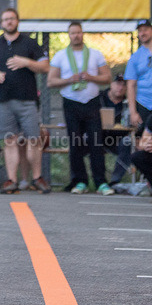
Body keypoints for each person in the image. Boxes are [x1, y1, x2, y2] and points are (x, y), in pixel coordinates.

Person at [0, 8, 52, 195]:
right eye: (5, 19)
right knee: (9, 141)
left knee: (33, 139)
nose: (9, 22)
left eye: (12, 19)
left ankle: (37, 178)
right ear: (1, 23)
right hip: (3, 102)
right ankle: (11, 180)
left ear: (17, 21)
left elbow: (45, 66)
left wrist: (26, 62)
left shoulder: (30, 43)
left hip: (28, 101)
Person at [48, 22, 113, 195]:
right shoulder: (61, 56)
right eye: (72, 33)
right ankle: (79, 181)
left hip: (91, 101)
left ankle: (101, 182)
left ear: (82, 34)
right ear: (68, 35)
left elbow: (107, 77)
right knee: (75, 143)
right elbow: (51, 81)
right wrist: (69, 80)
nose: (76, 36)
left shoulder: (95, 54)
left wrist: (91, 77)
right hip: (71, 101)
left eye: (78, 32)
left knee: (96, 142)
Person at [124, 20, 152, 132]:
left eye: (145, 30)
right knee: (143, 140)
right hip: (144, 103)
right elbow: (131, 85)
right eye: (140, 31)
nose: (142, 33)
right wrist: (133, 112)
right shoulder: (135, 57)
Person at [99, 75, 133, 185]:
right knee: (81, 139)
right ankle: (92, 181)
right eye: (118, 83)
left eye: (124, 85)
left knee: (128, 142)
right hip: (98, 136)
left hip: (118, 139)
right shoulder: (99, 98)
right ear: (111, 84)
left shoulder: (129, 104)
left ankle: (115, 180)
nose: (121, 87)